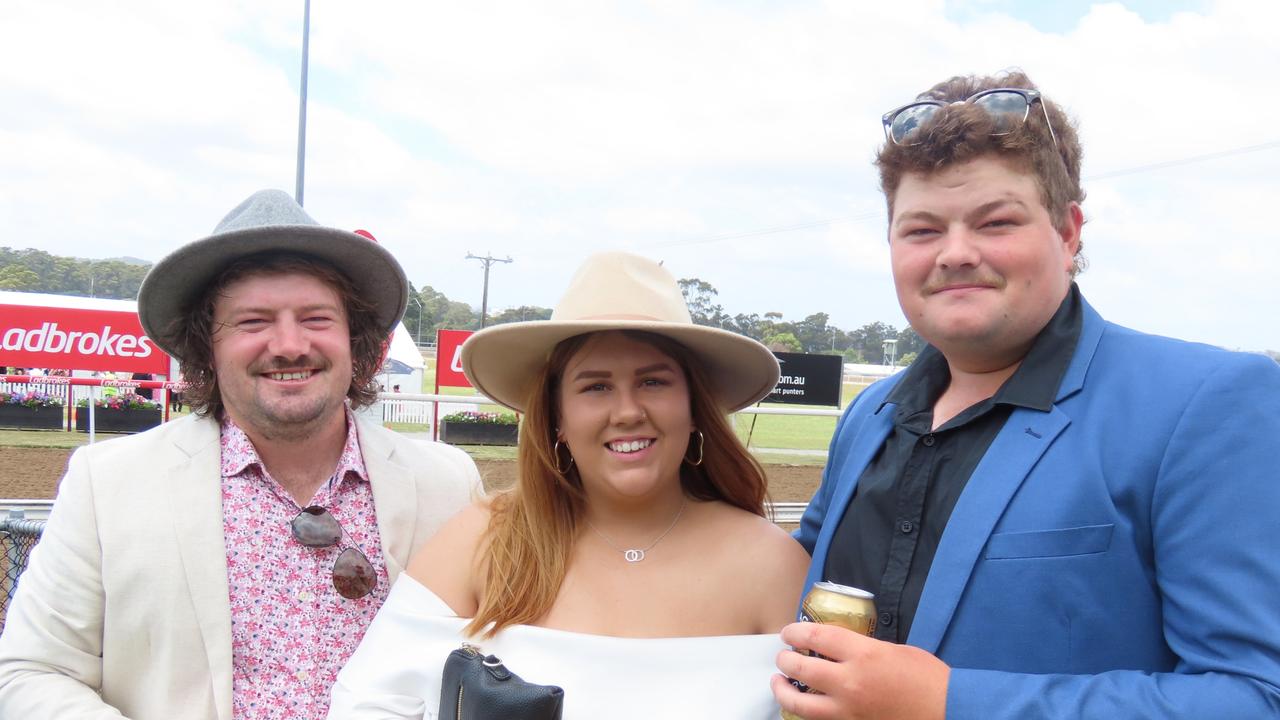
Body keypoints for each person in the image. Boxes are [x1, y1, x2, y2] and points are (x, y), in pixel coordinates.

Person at [772, 72, 1280, 719]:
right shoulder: (869, 415)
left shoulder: (1205, 402)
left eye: (996, 222)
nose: (955, 253)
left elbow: (1257, 696)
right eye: (922, 230)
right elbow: (776, 574)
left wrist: (946, 703)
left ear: (1069, 233)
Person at [0, 189, 482, 719]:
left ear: (356, 338)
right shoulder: (108, 485)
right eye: (253, 322)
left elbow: (497, 655)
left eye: (317, 318)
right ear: (206, 345)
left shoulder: (448, 485)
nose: (289, 344)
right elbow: (32, 672)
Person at [330, 251, 811, 718]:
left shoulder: (773, 565)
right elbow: (369, 700)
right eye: (596, 386)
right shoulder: (485, 541)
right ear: (557, 418)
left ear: (693, 408)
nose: (627, 412)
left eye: (654, 382)